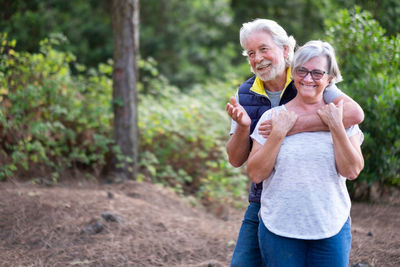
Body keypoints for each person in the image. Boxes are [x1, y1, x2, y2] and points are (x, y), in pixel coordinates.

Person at [225, 19, 364, 267]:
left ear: (286, 50)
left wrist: (292, 125)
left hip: (321, 211)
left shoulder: (307, 77)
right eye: (251, 53)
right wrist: (245, 127)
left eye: (264, 49)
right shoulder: (244, 94)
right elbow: (237, 160)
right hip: (265, 200)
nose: (258, 58)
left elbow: (354, 114)